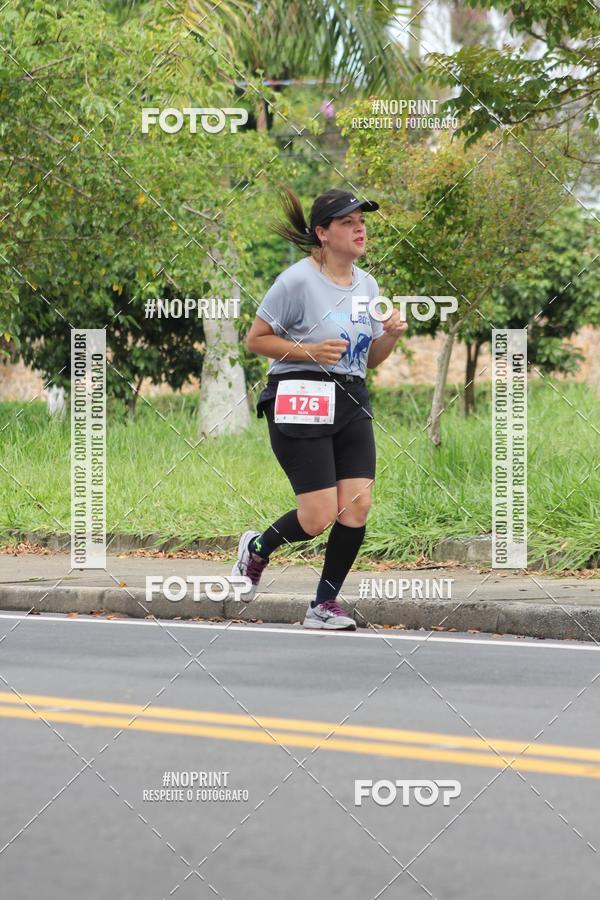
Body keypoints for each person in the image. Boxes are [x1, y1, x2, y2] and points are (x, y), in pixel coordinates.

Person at [232, 186, 406, 629]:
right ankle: (256, 548)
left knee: (357, 507)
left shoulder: (367, 285)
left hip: (351, 397)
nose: (360, 229)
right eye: (348, 222)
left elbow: (369, 359)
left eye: (361, 222)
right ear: (323, 233)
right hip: (299, 397)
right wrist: (308, 351)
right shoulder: (296, 281)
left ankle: (323, 605)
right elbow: (255, 340)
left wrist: (389, 336)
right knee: (318, 517)